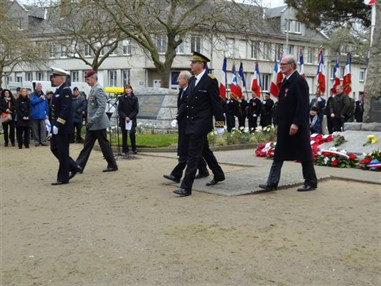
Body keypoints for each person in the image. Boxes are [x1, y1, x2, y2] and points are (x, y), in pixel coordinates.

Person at [259, 55, 317, 192]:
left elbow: (302, 105)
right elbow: (283, 105)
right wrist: (278, 123)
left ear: (291, 65)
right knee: (279, 154)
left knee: (304, 154)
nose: (281, 66)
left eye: (283, 64)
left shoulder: (299, 81)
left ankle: (311, 181)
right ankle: (272, 183)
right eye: (280, 64)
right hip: (285, 125)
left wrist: (296, 123)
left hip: (296, 126)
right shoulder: (285, 81)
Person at [173, 52, 225, 197]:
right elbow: (187, 103)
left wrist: (220, 123)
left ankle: (186, 186)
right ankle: (219, 174)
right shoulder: (193, 81)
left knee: (193, 154)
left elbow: (216, 103)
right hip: (191, 122)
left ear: (201, 64)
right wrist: (178, 117)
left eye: (193, 62)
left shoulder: (210, 81)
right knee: (204, 151)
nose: (191, 65)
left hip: (201, 123)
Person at [163, 70, 209, 183]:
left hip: (190, 125)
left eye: (179, 78)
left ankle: (176, 174)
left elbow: (185, 106)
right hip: (184, 124)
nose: (177, 80)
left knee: (185, 151)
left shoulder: (189, 91)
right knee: (200, 150)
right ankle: (203, 170)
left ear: (185, 80)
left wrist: (176, 117)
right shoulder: (182, 90)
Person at [76, 70, 118, 173]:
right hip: (93, 124)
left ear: (94, 78)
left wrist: (92, 120)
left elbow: (101, 107)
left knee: (104, 145)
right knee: (87, 146)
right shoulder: (93, 89)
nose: (87, 81)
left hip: (98, 123)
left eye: (88, 79)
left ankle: (112, 165)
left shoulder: (98, 89)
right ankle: (78, 166)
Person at [49, 68, 81, 185]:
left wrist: (58, 124)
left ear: (61, 78)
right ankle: (74, 166)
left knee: (62, 152)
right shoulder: (59, 90)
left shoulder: (66, 90)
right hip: (57, 126)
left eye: (54, 76)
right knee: (54, 148)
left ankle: (63, 177)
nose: (53, 78)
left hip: (63, 127)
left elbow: (66, 110)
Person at [117, 84, 139, 155]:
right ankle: (125, 150)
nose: (127, 90)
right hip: (124, 118)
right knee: (124, 134)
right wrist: (125, 117)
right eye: (126, 88)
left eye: (128, 88)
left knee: (132, 133)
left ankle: (134, 148)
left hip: (131, 118)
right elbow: (119, 110)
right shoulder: (121, 98)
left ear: (131, 90)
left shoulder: (135, 98)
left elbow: (136, 110)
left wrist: (130, 117)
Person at [30, 82, 49, 146]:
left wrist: (47, 113)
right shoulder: (32, 95)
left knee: (43, 128)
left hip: (42, 114)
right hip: (34, 114)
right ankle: (37, 141)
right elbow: (32, 102)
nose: (39, 88)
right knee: (35, 129)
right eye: (38, 86)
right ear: (36, 87)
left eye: (40, 86)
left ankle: (43, 141)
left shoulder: (44, 95)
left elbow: (46, 105)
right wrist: (40, 99)